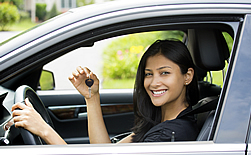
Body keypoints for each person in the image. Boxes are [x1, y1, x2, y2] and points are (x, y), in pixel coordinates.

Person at [9, 39, 199, 144]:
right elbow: (104, 150)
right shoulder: (159, 122)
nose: (154, 82)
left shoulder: (169, 135)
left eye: (164, 73)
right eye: (148, 74)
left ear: (187, 76)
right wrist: (92, 97)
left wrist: (44, 130)